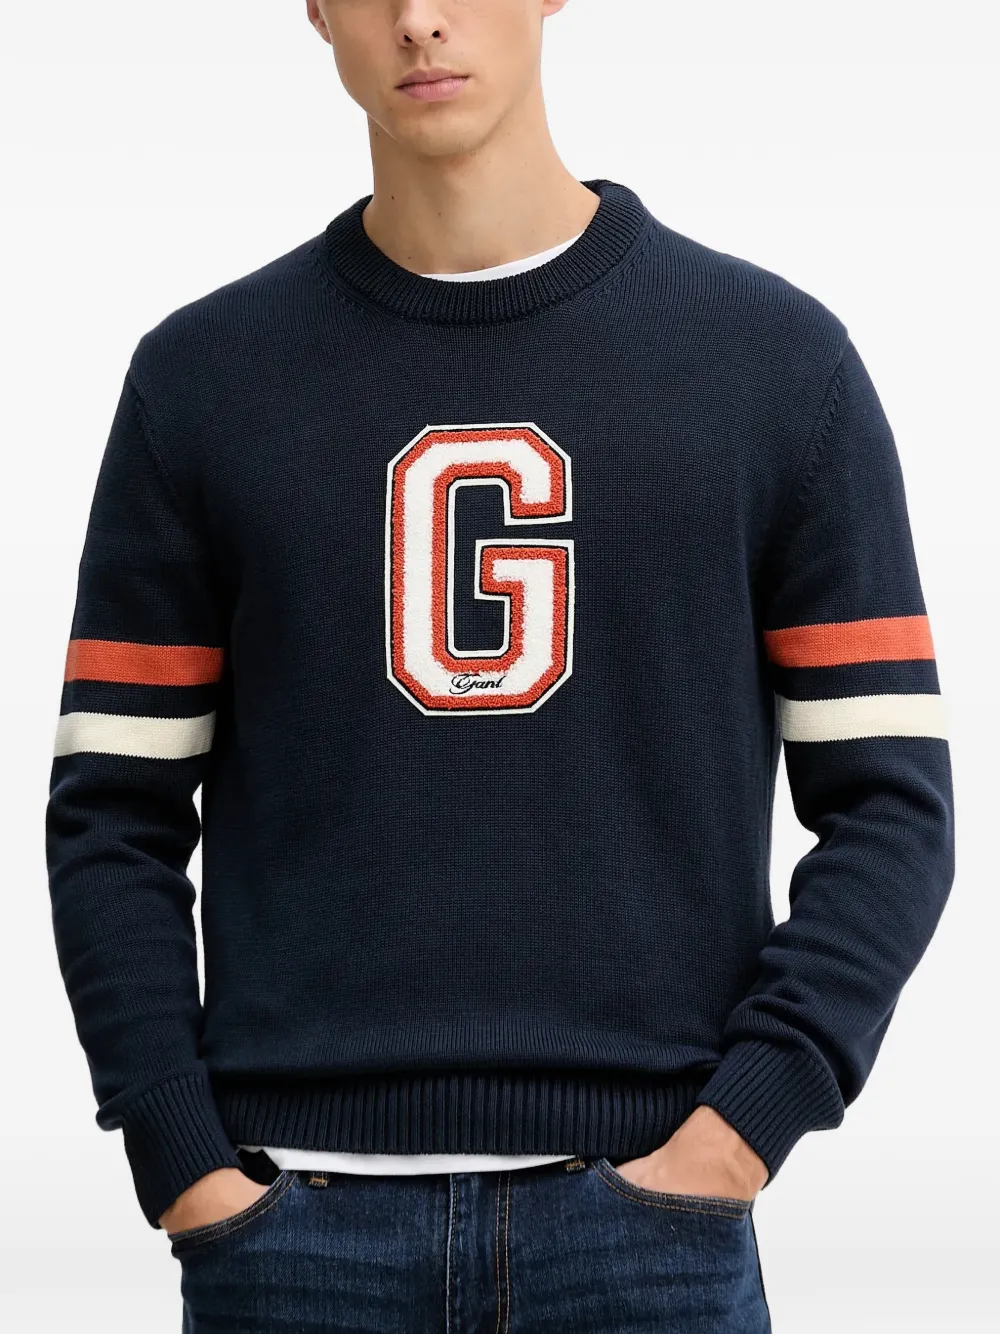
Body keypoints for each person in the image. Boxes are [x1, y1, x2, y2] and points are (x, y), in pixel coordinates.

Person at [44, 1, 955, 1330]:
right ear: (314, 9)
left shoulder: (773, 364)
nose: (420, 19)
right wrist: (178, 1154)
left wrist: (743, 1125)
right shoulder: (202, 382)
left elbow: (891, 801)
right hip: (292, 1233)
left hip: (649, 1226)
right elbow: (112, 808)